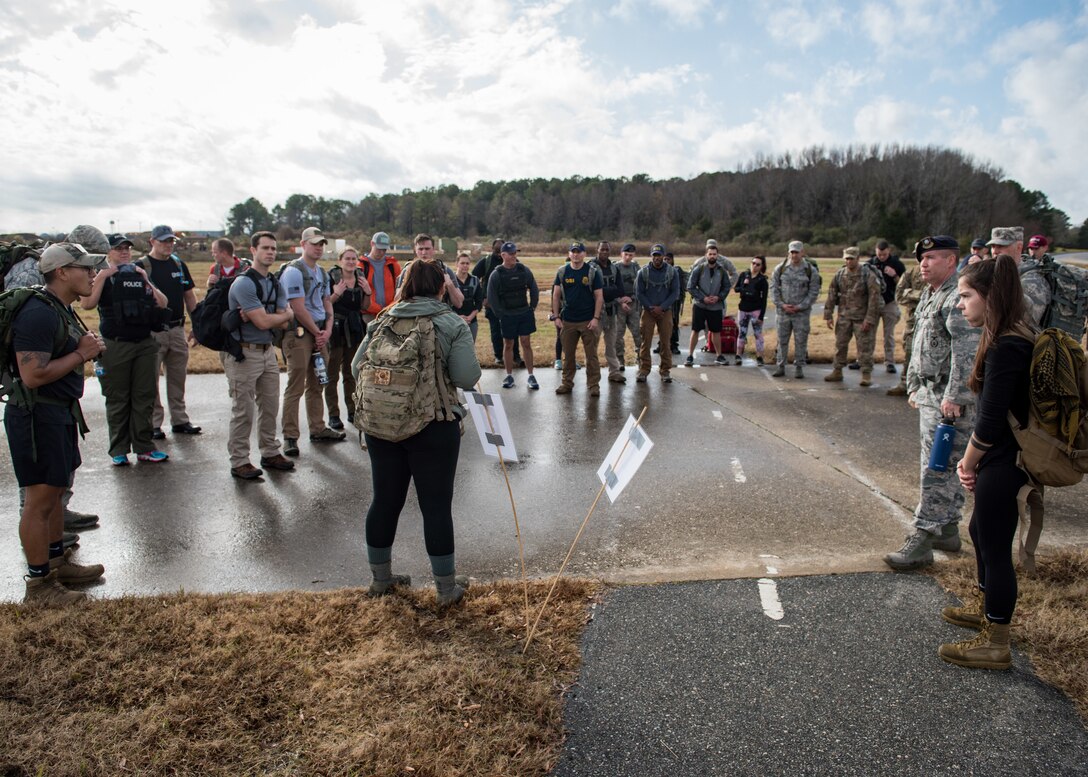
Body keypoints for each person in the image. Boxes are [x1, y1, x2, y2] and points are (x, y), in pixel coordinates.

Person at [353, 260, 482, 607]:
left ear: (404, 285)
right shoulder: (450, 322)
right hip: (433, 424)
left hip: (381, 426)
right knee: (436, 507)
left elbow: (355, 368)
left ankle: (381, 580)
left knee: (384, 500)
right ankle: (445, 589)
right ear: (441, 287)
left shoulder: (383, 320)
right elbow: (467, 378)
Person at [939, 255, 1035, 670]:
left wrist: (968, 461)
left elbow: (991, 421)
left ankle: (996, 639)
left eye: (966, 296)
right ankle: (985, 606)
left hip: (1005, 457)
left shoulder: (1006, 345)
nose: (960, 304)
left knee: (995, 544)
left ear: (990, 297)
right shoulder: (1010, 335)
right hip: (1001, 455)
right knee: (981, 530)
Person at [6, 243, 106, 604]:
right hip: (37, 416)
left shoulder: (59, 309)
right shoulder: (38, 313)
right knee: (40, 500)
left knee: (54, 496)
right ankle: (39, 585)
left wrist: (84, 348)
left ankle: (55, 563)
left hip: (57, 412)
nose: (93, 274)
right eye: (86, 267)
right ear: (62, 272)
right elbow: (32, 374)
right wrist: (82, 354)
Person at [884, 236, 980, 570]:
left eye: (932, 258)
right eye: (922, 258)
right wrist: (913, 384)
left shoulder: (957, 296)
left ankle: (923, 538)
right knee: (944, 463)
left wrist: (955, 396)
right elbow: (920, 343)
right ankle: (949, 530)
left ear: (951, 261)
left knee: (936, 468)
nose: (923, 264)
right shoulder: (930, 293)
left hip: (948, 400)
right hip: (930, 393)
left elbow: (966, 353)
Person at [80, 233, 170, 465]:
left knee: (144, 395)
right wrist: (102, 276)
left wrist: (146, 279)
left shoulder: (138, 274)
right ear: (108, 252)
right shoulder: (102, 275)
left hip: (144, 343)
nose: (124, 252)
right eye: (118, 248)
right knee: (118, 398)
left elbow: (163, 302)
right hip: (115, 344)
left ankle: (144, 447)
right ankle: (119, 449)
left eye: (127, 248)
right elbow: (87, 304)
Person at [225, 232, 296, 480]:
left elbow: (282, 324)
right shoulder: (244, 284)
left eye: (274, 249)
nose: (270, 252)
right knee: (243, 410)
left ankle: (269, 452)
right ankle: (240, 460)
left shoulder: (275, 283)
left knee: (269, 406)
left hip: (267, 353)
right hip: (244, 353)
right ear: (253, 250)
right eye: (265, 248)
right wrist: (283, 315)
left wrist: (279, 318)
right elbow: (267, 321)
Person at [280, 226, 345, 457]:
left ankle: (317, 428)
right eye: (314, 243)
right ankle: (290, 436)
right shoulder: (294, 271)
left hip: (319, 332)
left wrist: (327, 329)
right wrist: (317, 332)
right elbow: (297, 307)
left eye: (321, 244)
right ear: (303, 244)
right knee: (295, 385)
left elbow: (326, 301)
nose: (318, 248)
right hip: (299, 333)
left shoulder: (322, 273)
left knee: (319, 382)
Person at [139, 224, 201, 439]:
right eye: (164, 241)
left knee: (177, 377)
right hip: (153, 331)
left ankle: (180, 420)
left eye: (171, 241)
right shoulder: (142, 267)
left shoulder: (178, 264)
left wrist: (197, 324)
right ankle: (154, 423)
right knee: (151, 379)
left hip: (176, 329)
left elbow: (189, 296)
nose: (168, 244)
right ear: (152, 242)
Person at [325, 245, 372, 430]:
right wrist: (336, 293)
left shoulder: (360, 278)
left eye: (354, 259)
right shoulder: (332, 278)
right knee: (331, 374)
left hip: (354, 328)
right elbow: (326, 303)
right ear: (340, 261)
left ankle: (352, 410)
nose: (351, 262)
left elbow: (365, 306)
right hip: (336, 328)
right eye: (348, 258)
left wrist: (368, 291)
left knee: (351, 372)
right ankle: (333, 414)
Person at [824, 247, 882, 386]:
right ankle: (837, 370)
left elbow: (874, 298)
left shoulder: (867, 274)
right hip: (844, 317)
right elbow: (832, 294)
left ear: (858, 258)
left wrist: (870, 319)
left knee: (865, 347)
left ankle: (866, 373)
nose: (849, 261)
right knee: (840, 345)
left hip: (862, 318)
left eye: (851, 258)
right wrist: (828, 314)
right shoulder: (840, 274)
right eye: (847, 258)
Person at [486, 241, 539, 390]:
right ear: (503, 255)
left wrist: (532, 307)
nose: (514, 256)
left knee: (526, 342)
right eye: (511, 254)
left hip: (524, 312)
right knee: (508, 344)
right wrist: (500, 314)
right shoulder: (497, 274)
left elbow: (534, 288)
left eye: (515, 253)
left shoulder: (524, 270)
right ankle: (509, 376)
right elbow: (492, 296)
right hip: (507, 315)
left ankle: (531, 375)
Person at [553, 242, 604, 396]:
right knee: (568, 356)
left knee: (591, 356)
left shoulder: (592, 272)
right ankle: (567, 384)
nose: (576, 254)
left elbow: (599, 297)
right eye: (573, 252)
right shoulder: (562, 272)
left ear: (584, 254)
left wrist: (595, 318)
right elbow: (556, 295)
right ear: (569, 254)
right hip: (568, 321)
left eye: (579, 252)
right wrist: (556, 317)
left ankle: (593, 386)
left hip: (588, 321)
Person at [770, 240, 822, 379]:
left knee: (801, 340)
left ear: (802, 252)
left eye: (797, 252)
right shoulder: (780, 268)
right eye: (792, 252)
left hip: (801, 314)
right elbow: (773, 289)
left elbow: (814, 292)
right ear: (788, 252)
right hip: (783, 313)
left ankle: (799, 367)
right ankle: (780, 366)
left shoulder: (810, 270)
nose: (794, 255)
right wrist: (782, 305)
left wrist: (800, 306)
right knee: (782, 340)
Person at [987, 226, 1050, 326]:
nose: (995, 251)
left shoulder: (1032, 281)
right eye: (993, 246)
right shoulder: (996, 272)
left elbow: (1025, 323)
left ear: (1019, 247)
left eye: (1001, 246)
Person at [635, 244, 680, 383]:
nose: (657, 258)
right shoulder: (643, 272)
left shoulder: (672, 272)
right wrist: (650, 307)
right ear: (651, 256)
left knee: (666, 343)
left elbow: (675, 293)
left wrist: (663, 307)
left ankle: (665, 371)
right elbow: (639, 293)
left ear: (663, 256)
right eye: (654, 255)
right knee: (645, 342)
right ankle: (644, 370)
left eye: (659, 255)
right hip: (648, 311)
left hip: (665, 312)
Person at [473, 239, 521, 366]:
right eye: (497, 250)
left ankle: (516, 356)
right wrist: (482, 297)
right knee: (496, 331)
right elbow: (473, 277)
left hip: (511, 304)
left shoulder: (515, 262)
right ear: (492, 249)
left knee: (513, 331)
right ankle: (499, 356)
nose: (499, 253)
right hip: (491, 304)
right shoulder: (486, 262)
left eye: (502, 250)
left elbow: (522, 279)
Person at [686, 243, 733, 366]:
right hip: (700, 306)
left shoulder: (722, 271)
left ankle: (719, 356)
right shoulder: (699, 269)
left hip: (715, 306)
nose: (712, 256)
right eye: (710, 254)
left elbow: (727, 286)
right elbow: (690, 287)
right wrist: (703, 298)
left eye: (714, 254)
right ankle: (690, 356)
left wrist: (719, 297)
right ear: (706, 255)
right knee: (695, 330)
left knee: (716, 331)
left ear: (718, 255)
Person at [589, 240, 628, 382]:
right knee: (592, 346)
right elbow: (591, 291)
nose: (604, 252)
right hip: (596, 313)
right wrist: (609, 291)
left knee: (611, 344)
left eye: (607, 250)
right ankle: (592, 374)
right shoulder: (590, 268)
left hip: (612, 312)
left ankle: (614, 372)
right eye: (602, 249)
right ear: (597, 250)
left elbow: (620, 290)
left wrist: (607, 292)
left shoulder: (614, 268)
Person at [886, 261, 926, 396]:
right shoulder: (910, 273)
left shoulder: (940, 273)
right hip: (913, 322)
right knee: (909, 352)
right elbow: (899, 295)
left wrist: (911, 293)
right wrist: (922, 295)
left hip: (934, 321)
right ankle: (906, 384)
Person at [867, 239, 907, 374]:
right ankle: (866, 360)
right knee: (869, 333)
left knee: (888, 335)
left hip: (889, 302)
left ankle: (889, 361)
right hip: (873, 304)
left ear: (888, 251)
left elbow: (904, 285)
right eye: (879, 254)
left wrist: (894, 275)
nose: (881, 257)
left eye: (884, 254)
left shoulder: (897, 264)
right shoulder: (871, 264)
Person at [408, 233, 464, 310]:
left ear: (433, 249)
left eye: (427, 249)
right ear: (415, 250)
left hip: (439, 315)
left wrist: (449, 284)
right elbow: (397, 299)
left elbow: (459, 303)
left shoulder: (445, 270)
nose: (424, 253)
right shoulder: (407, 271)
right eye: (420, 249)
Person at [734, 256, 768, 365]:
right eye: (753, 263)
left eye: (758, 264)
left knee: (758, 334)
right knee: (742, 333)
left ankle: (759, 357)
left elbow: (764, 300)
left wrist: (761, 316)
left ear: (762, 266)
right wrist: (744, 285)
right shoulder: (744, 275)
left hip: (755, 310)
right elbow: (736, 289)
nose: (755, 266)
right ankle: (738, 355)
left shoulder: (762, 280)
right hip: (743, 309)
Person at [360, 231, 401, 324]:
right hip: (369, 316)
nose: (382, 252)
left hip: (390, 314)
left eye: (384, 249)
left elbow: (400, 291)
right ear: (372, 244)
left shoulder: (393, 265)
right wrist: (379, 309)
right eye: (379, 249)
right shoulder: (362, 266)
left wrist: (388, 309)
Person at [614, 243, 641, 367]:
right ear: (621, 254)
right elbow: (611, 287)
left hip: (633, 305)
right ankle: (620, 360)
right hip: (619, 306)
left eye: (630, 255)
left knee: (637, 333)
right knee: (618, 335)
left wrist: (631, 298)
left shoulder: (636, 268)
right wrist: (620, 300)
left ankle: (640, 358)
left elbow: (641, 286)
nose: (628, 257)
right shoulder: (615, 268)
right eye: (626, 254)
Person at [452, 252, 484, 341]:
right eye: (462, 263)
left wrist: (470, 317)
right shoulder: (450, 281)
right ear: (456, 264)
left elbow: (479, 303)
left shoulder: (475, 280)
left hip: (471, 321)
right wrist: (458, 317)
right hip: (453, 321)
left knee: (470, 349)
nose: (465, 265)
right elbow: (445, 303)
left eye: (467, 263)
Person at [664, 252, 687, 355]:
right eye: (664, 259)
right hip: (662, 301)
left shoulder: (677, 270)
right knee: (662, 324)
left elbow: (681, 287)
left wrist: (680, 299)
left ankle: (674, 345)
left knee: (674, 323)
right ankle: (662, 344)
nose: (666, 261)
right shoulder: (659, 270)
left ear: (672, 260)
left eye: (668, 259)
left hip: (674, 302)